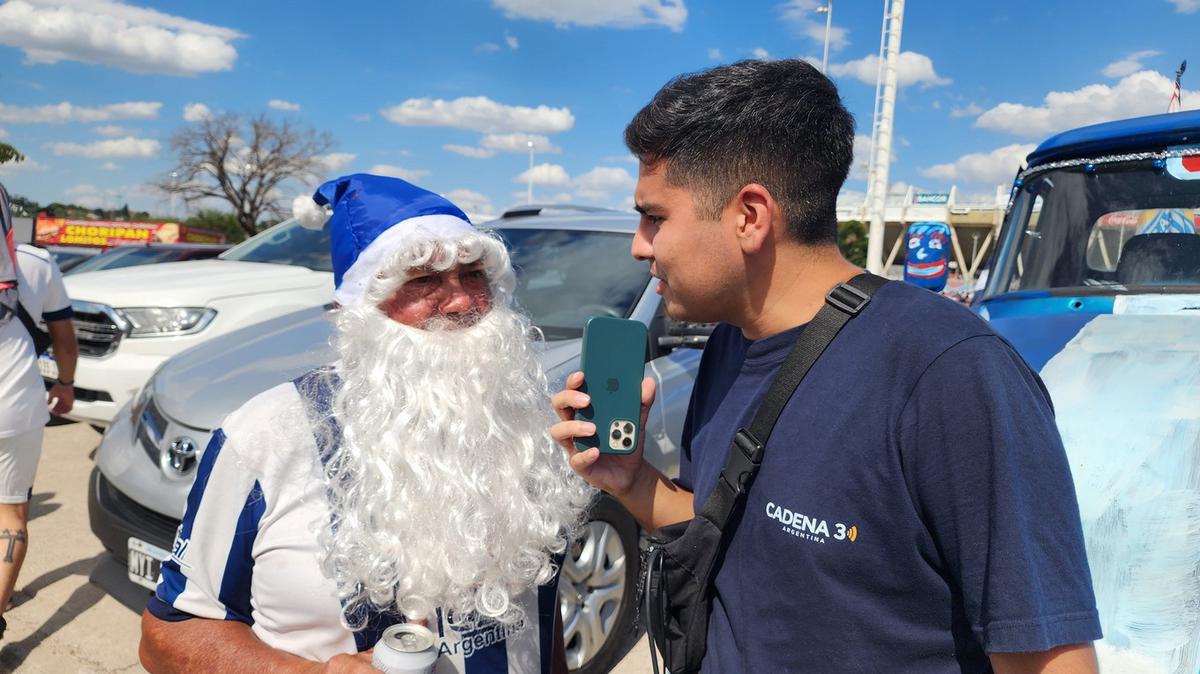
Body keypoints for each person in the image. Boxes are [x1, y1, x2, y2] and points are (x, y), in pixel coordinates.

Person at [551, 59, 1102, 673]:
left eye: (654, 216)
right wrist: (632, 481)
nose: (639, 244)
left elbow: (1049, 656)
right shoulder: (730, 349)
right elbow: (738, 533)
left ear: (750, 216)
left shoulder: (949, 372)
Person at [140, 174, 593, 673]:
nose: (463, 301)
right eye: (423, 280)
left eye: (473, 275)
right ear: (362, 308)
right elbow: (168, 635)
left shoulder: (526, 423)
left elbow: (540, 619)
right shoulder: (268, 432)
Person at [0, 241, 77, 640]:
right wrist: (65, 384)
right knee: (11, 517)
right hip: (14, 402)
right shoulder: (35, 261)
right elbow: (64, 338)